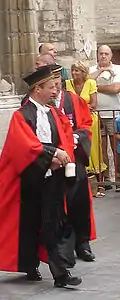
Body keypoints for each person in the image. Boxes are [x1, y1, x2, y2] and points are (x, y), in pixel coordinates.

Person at [0, 66, 82, 288]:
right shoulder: (21, 116)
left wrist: (61, 154)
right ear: (37, 89)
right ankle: (30, 265)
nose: (55, 91)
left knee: (51, 225)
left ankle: (60, 274)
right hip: (28, 181)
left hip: (51, 179)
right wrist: (52, 154)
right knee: (28, 225)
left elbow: (63, 138)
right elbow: (24, 146)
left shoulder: (53, 113)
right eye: (50, 87)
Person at [51, 64, 96, 262]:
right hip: (52, 160)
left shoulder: (73, 100)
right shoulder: (41, 103)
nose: (54, 88)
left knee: (79, 201)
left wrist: (76, 137)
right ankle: (62, 247)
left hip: (74, 158)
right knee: (57, 204)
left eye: (56, 82)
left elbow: (86, 124)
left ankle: (82, 243)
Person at [66, 60, 107, 198]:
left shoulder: (91, 83)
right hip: (73, 122)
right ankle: (81, 185)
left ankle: (99, 184)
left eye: (77, 70)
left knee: (95, 150)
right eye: (73, 70)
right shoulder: (67, 84)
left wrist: (78, 106)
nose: (74, 73)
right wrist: (82, 106)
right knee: (78, 150)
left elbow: (94, 104)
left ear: (84, 72)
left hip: (90, 120)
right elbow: (66, 103)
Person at [90, 45, 120, 189]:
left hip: (115, 115)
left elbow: (115, 88)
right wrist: (100, 71)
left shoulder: (118, 69)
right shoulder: (92, 70)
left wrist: (94, 87)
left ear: (111, 55)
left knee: (116, 148)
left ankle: (119, 178)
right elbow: (84, 82)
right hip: (97, 115)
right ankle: (105, 179)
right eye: (101, 53)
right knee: (101, 148)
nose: (103, 56)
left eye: (106, 53)